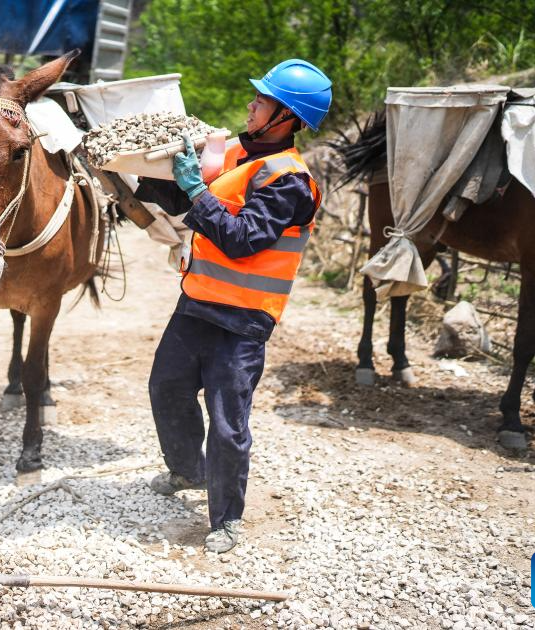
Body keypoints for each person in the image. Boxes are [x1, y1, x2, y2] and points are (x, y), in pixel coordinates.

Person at [137, 59, 332, 553]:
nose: (250, 104)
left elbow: (242, 239)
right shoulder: (236, 154)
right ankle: (188, 472)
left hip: (244, 319)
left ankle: (226, 519)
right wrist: (139, 167)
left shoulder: (289, 178)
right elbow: (187, 202)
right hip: (197, 302)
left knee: (228, 422)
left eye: (261, 100)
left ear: (285, 117)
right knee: (167, 388)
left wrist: (196, 188)